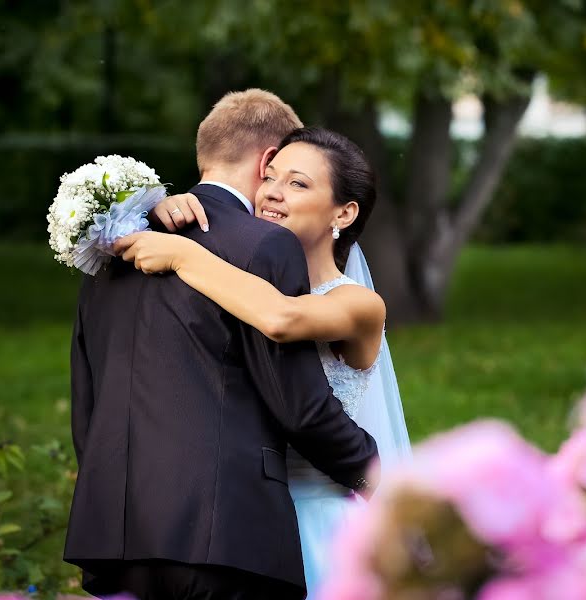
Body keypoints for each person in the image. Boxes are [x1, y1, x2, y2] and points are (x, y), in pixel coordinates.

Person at [64, 90, 379, 600]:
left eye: (297, 183)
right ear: (266, 161)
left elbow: (89, 397)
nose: (276, 192)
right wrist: (374, 474)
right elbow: (298, 406)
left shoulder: (111, 246)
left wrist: (182, 253)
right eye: (279, 175)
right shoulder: (260, 244)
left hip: (117, 529)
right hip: (226, 528)